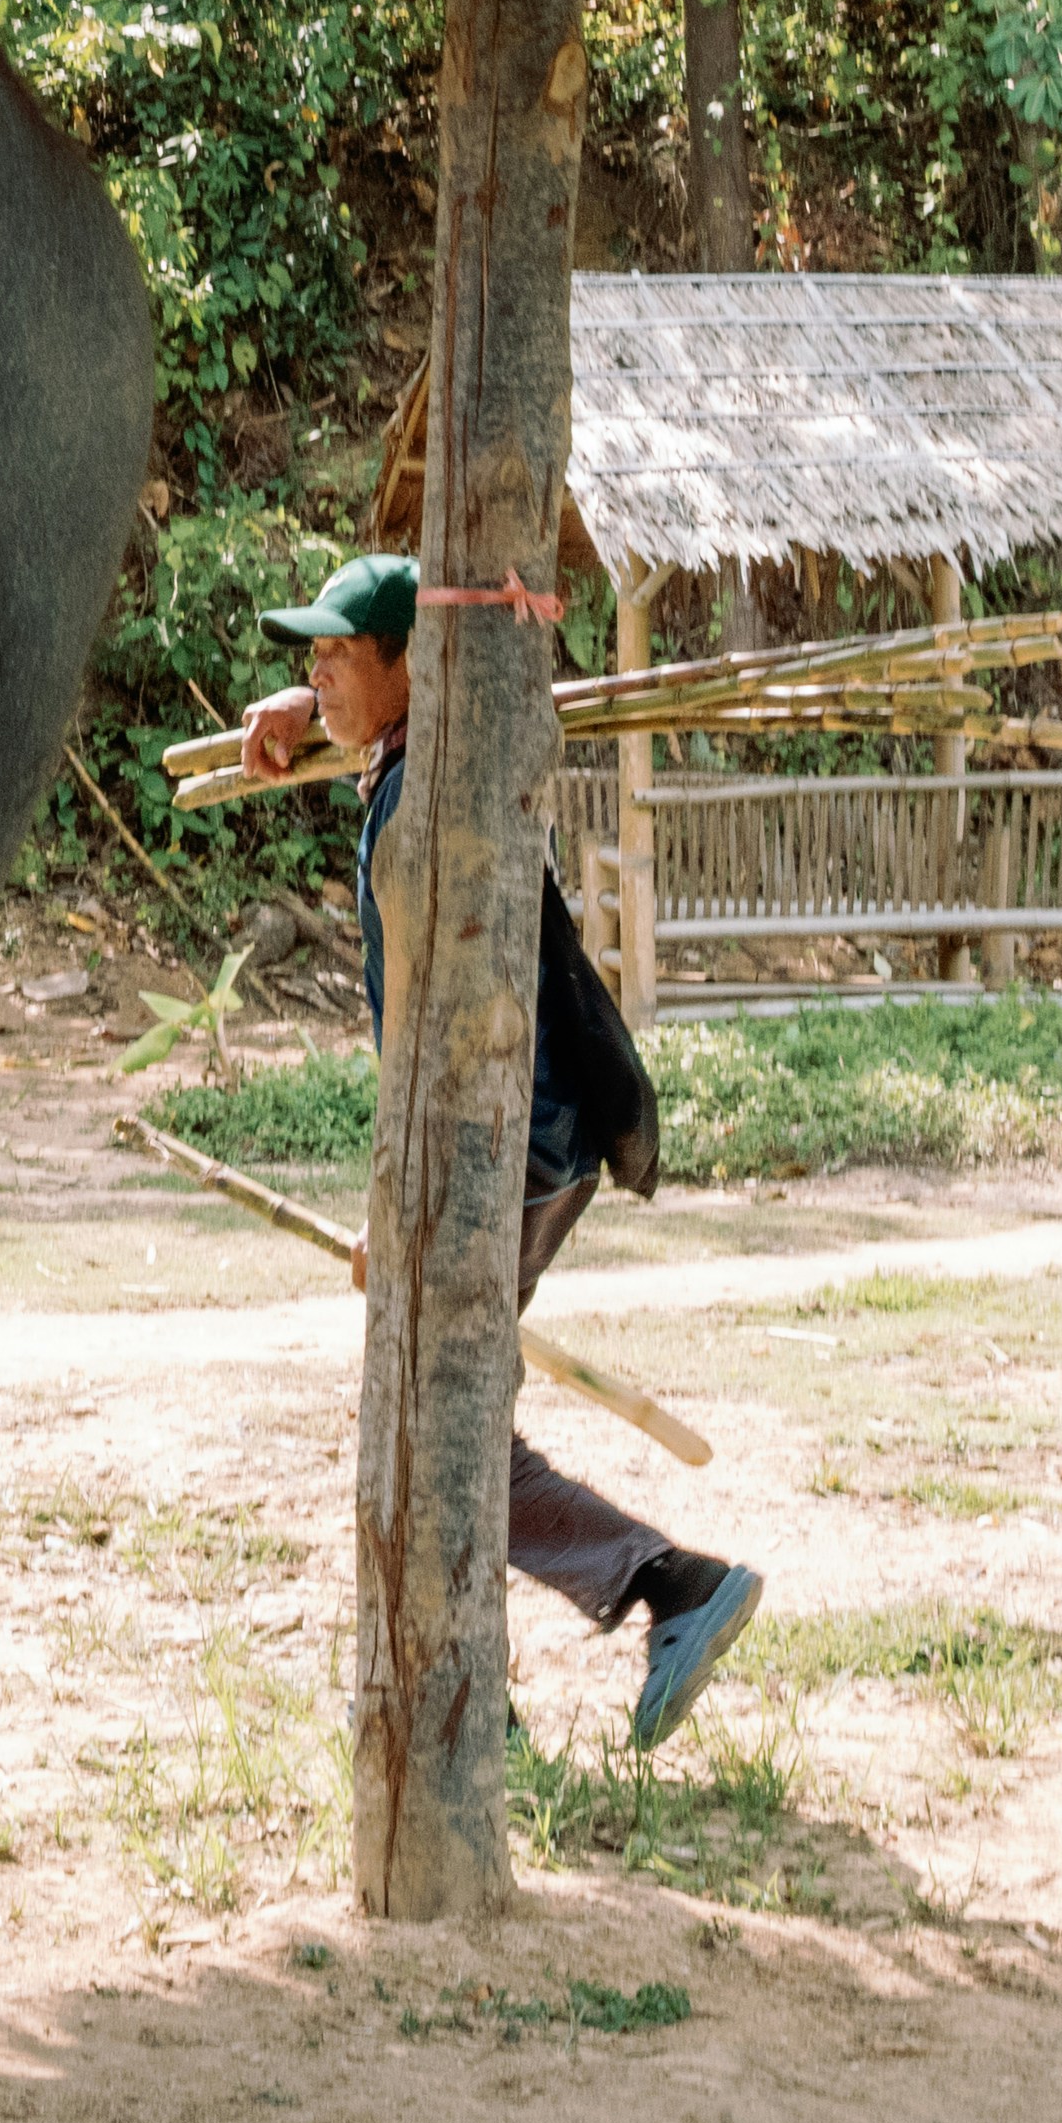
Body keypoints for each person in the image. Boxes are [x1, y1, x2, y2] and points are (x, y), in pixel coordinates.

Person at [237, 548, 760, 1748]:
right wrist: (306, 706)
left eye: (340, 653)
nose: (321, 670)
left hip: (504, 1146)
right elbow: (378, 717)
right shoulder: (416, 755)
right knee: (445, 1415)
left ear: (417, 665)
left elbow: (456, 1029)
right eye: (313, 655)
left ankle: (658, 1589)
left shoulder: (442, 793)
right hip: (524, 1138)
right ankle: (503, 1687)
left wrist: (408, 1204)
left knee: (437, 1425)